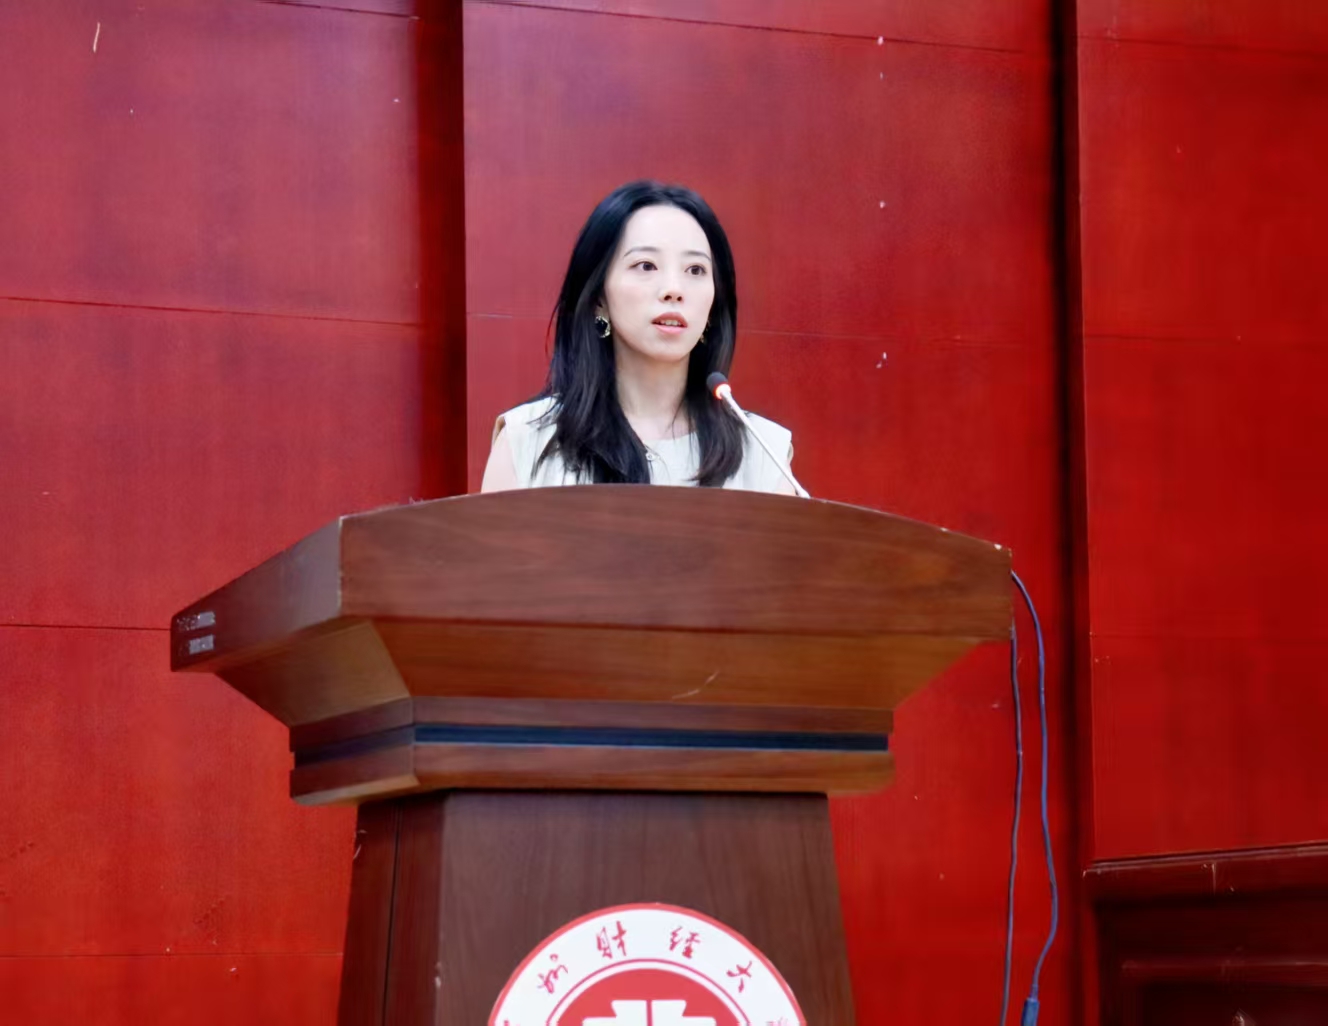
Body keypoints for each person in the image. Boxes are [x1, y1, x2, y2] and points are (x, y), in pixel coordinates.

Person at [480, 180, 802, 495]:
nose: (674, 289)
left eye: (695, 270)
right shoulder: (525, 444)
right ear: (599, 298)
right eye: (646, 266)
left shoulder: (763, 454)